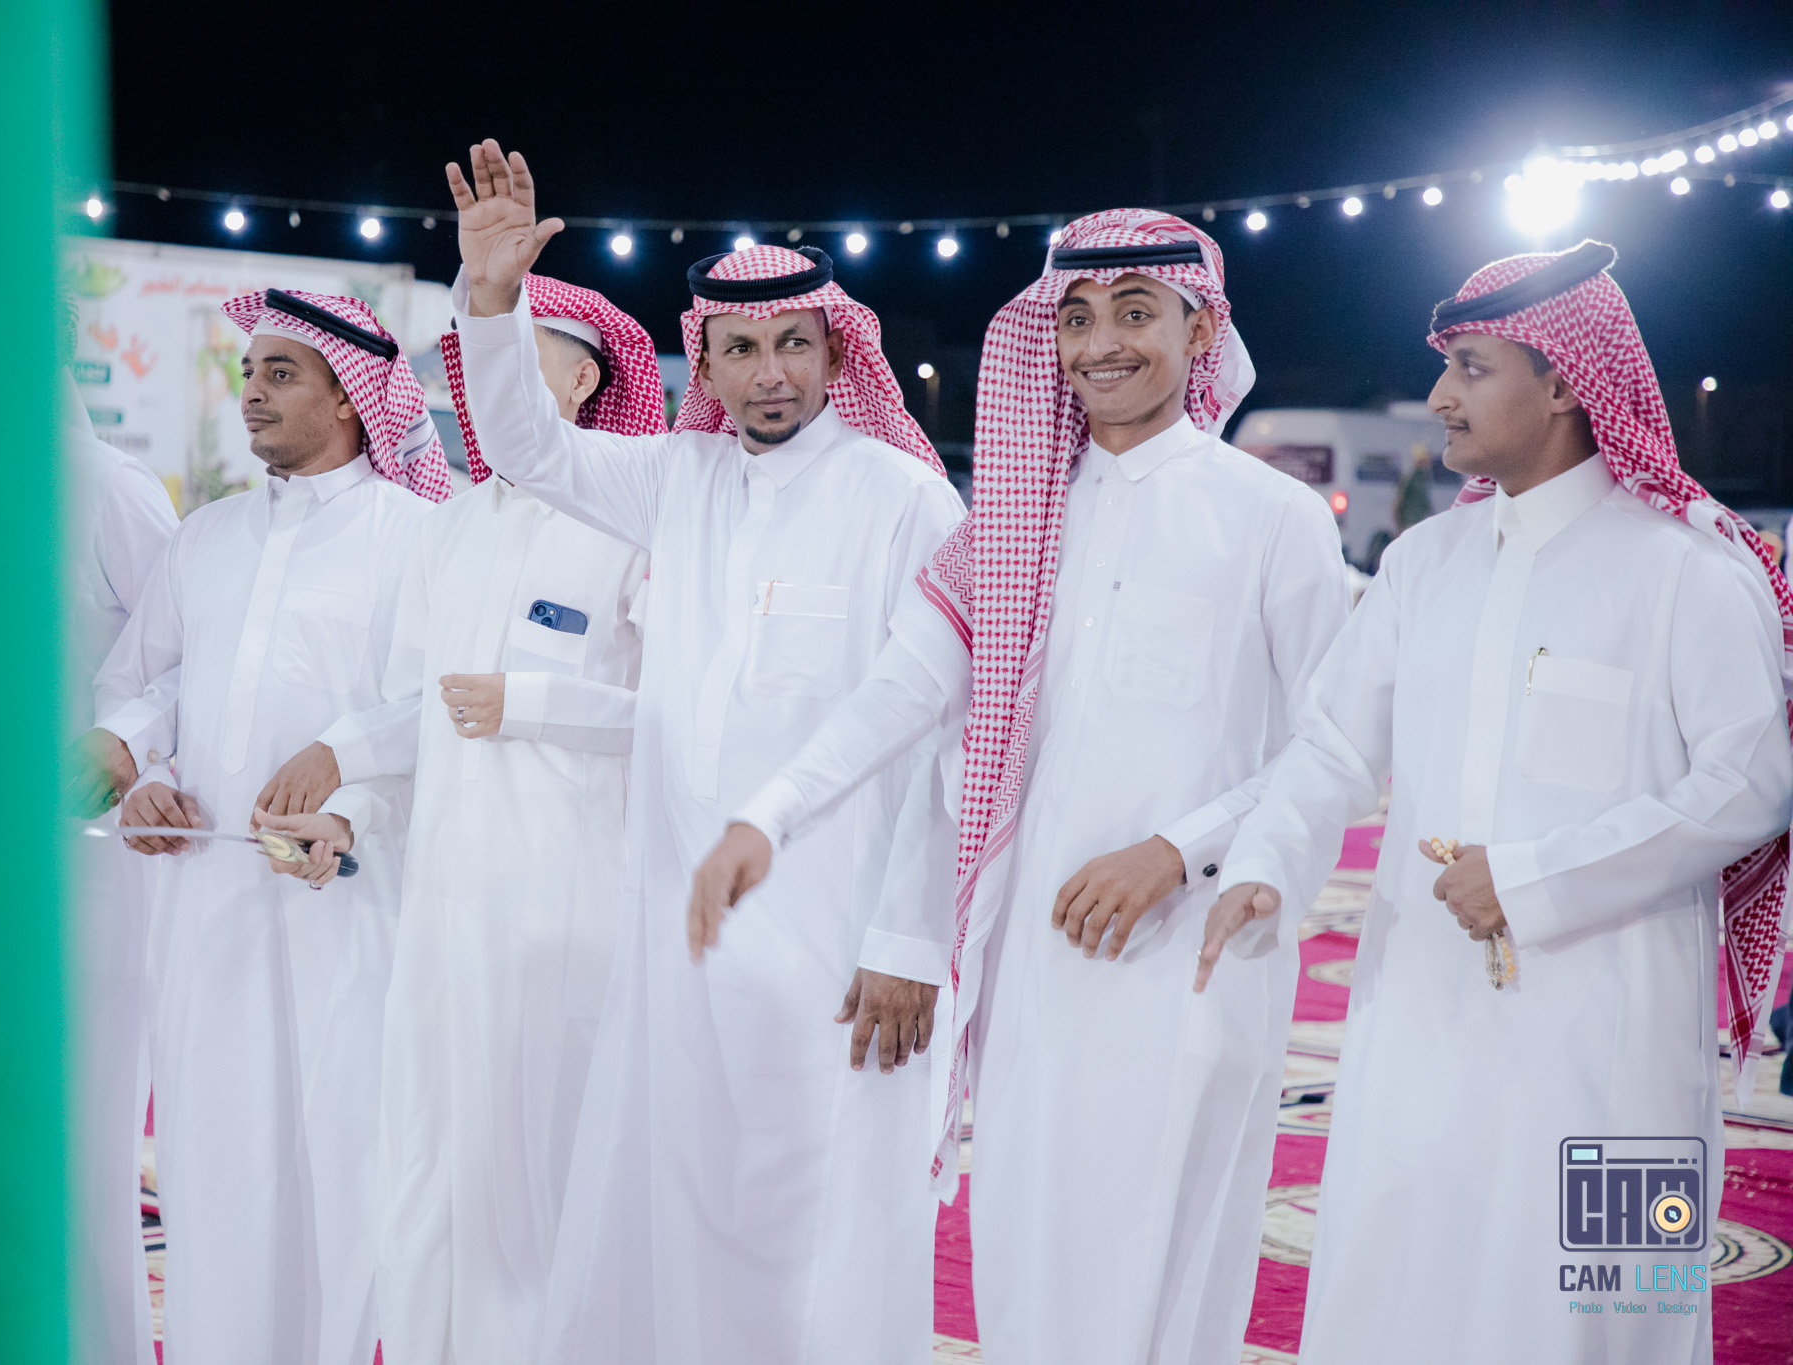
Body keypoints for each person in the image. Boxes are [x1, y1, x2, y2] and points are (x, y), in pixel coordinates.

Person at [694, 209, 1352, 1362]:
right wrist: (772, 811)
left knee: (1158, 1269)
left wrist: (1178, 851)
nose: (1101, 344)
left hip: (1187, 960)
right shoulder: (1015, 519)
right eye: (1076, 319)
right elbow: (903, 692)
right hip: (1030, 968)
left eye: (1134, 314)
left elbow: (1331, 745)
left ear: (1200, 331)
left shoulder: (1272, 519)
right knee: (1023, 1258)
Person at [1198, 240, 1793, 1364]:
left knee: (1616, 1310)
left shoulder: (1688, 568)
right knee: (1400, 1289)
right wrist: (1267, 862)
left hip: (1618, 1041)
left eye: (1470, 367)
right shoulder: (1425, 562)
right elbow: (1332, 743)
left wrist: (1531, 880)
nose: (1439, 396)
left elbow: (1752, 783)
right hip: (1418, 1016)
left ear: (1563, 381)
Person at [443, 140, 965, 1365]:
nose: (767, 372)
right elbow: (524, 447)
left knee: (824, 1225)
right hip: (682, 936)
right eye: (738, 348)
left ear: (836, 353)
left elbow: (943, 739)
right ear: (706, 363)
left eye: (792, 343)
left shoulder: (905, 500)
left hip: (838, 943)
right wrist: (490, 301)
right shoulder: (675, 479)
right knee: (678, 1208)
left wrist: (907, 941)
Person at [254, 275, 667, 1365]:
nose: (488, 390)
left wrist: (532, 703)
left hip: (562, 917)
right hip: (440, 916)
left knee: (540, 1190)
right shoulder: (449, 530)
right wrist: (347, 811)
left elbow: (680, 717)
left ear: (582, 381)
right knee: (428, 1178)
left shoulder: (633, 525)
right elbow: (414, 710)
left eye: (515, 363)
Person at [95, 288, 446, 1365]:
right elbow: (145, 685)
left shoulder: (418, 539)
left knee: (345, 1174)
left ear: (350, 397)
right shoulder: (206, 536)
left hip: (348, 906)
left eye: (280, 373)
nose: (251, 393)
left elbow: (433, 705)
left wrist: (342, 774)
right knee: (215, 1169)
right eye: (248, 372)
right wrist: (143, 775)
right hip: (205, 905)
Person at [60, 298, 181, 1365]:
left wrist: (119, 743)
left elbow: (190, 659)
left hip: (92, 872)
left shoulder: (109, 489)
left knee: (82, 1146)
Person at [1395, 440, 1434, 532]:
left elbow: (1425, 502)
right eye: (1426, 458)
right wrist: (1399, 525)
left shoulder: (1424, 479)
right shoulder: (1410, 478)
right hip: (1411, 522)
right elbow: (1399, 502)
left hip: (1422, 521)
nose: (1429, 462)